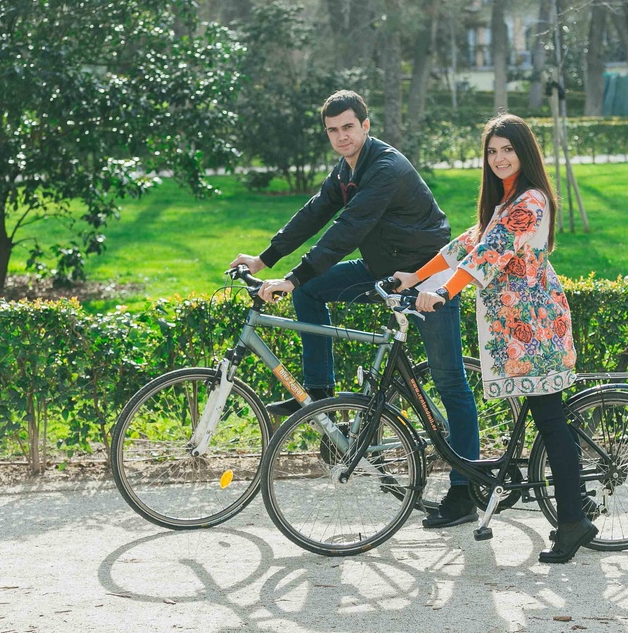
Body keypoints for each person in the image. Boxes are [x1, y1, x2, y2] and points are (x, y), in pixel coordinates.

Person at [230, 90, 482, 528]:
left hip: (427, 276)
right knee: (311, 294)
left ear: (366, 126)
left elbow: (349, 227)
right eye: (333, 130)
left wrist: (293, 276)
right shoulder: (347, 168)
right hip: (382, 269)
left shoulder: (384, 167)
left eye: (349, 127)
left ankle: (464, 492)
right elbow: (315, 213)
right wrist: (264, 260)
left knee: (449, 381)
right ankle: (321, 397)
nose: (341, 136)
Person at [393, 113, 597, 563]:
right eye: (492, 150)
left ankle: (572, 522)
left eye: (508, 149)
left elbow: (488, 254)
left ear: (524, 152)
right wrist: (415, 277)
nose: (500, 158)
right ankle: (573, 505)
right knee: (546, 418)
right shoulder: (504, 201)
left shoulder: (531, 202)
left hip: (536, 328)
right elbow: (466, 244)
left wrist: (444, 290)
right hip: (515, 330)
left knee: (550, 421)